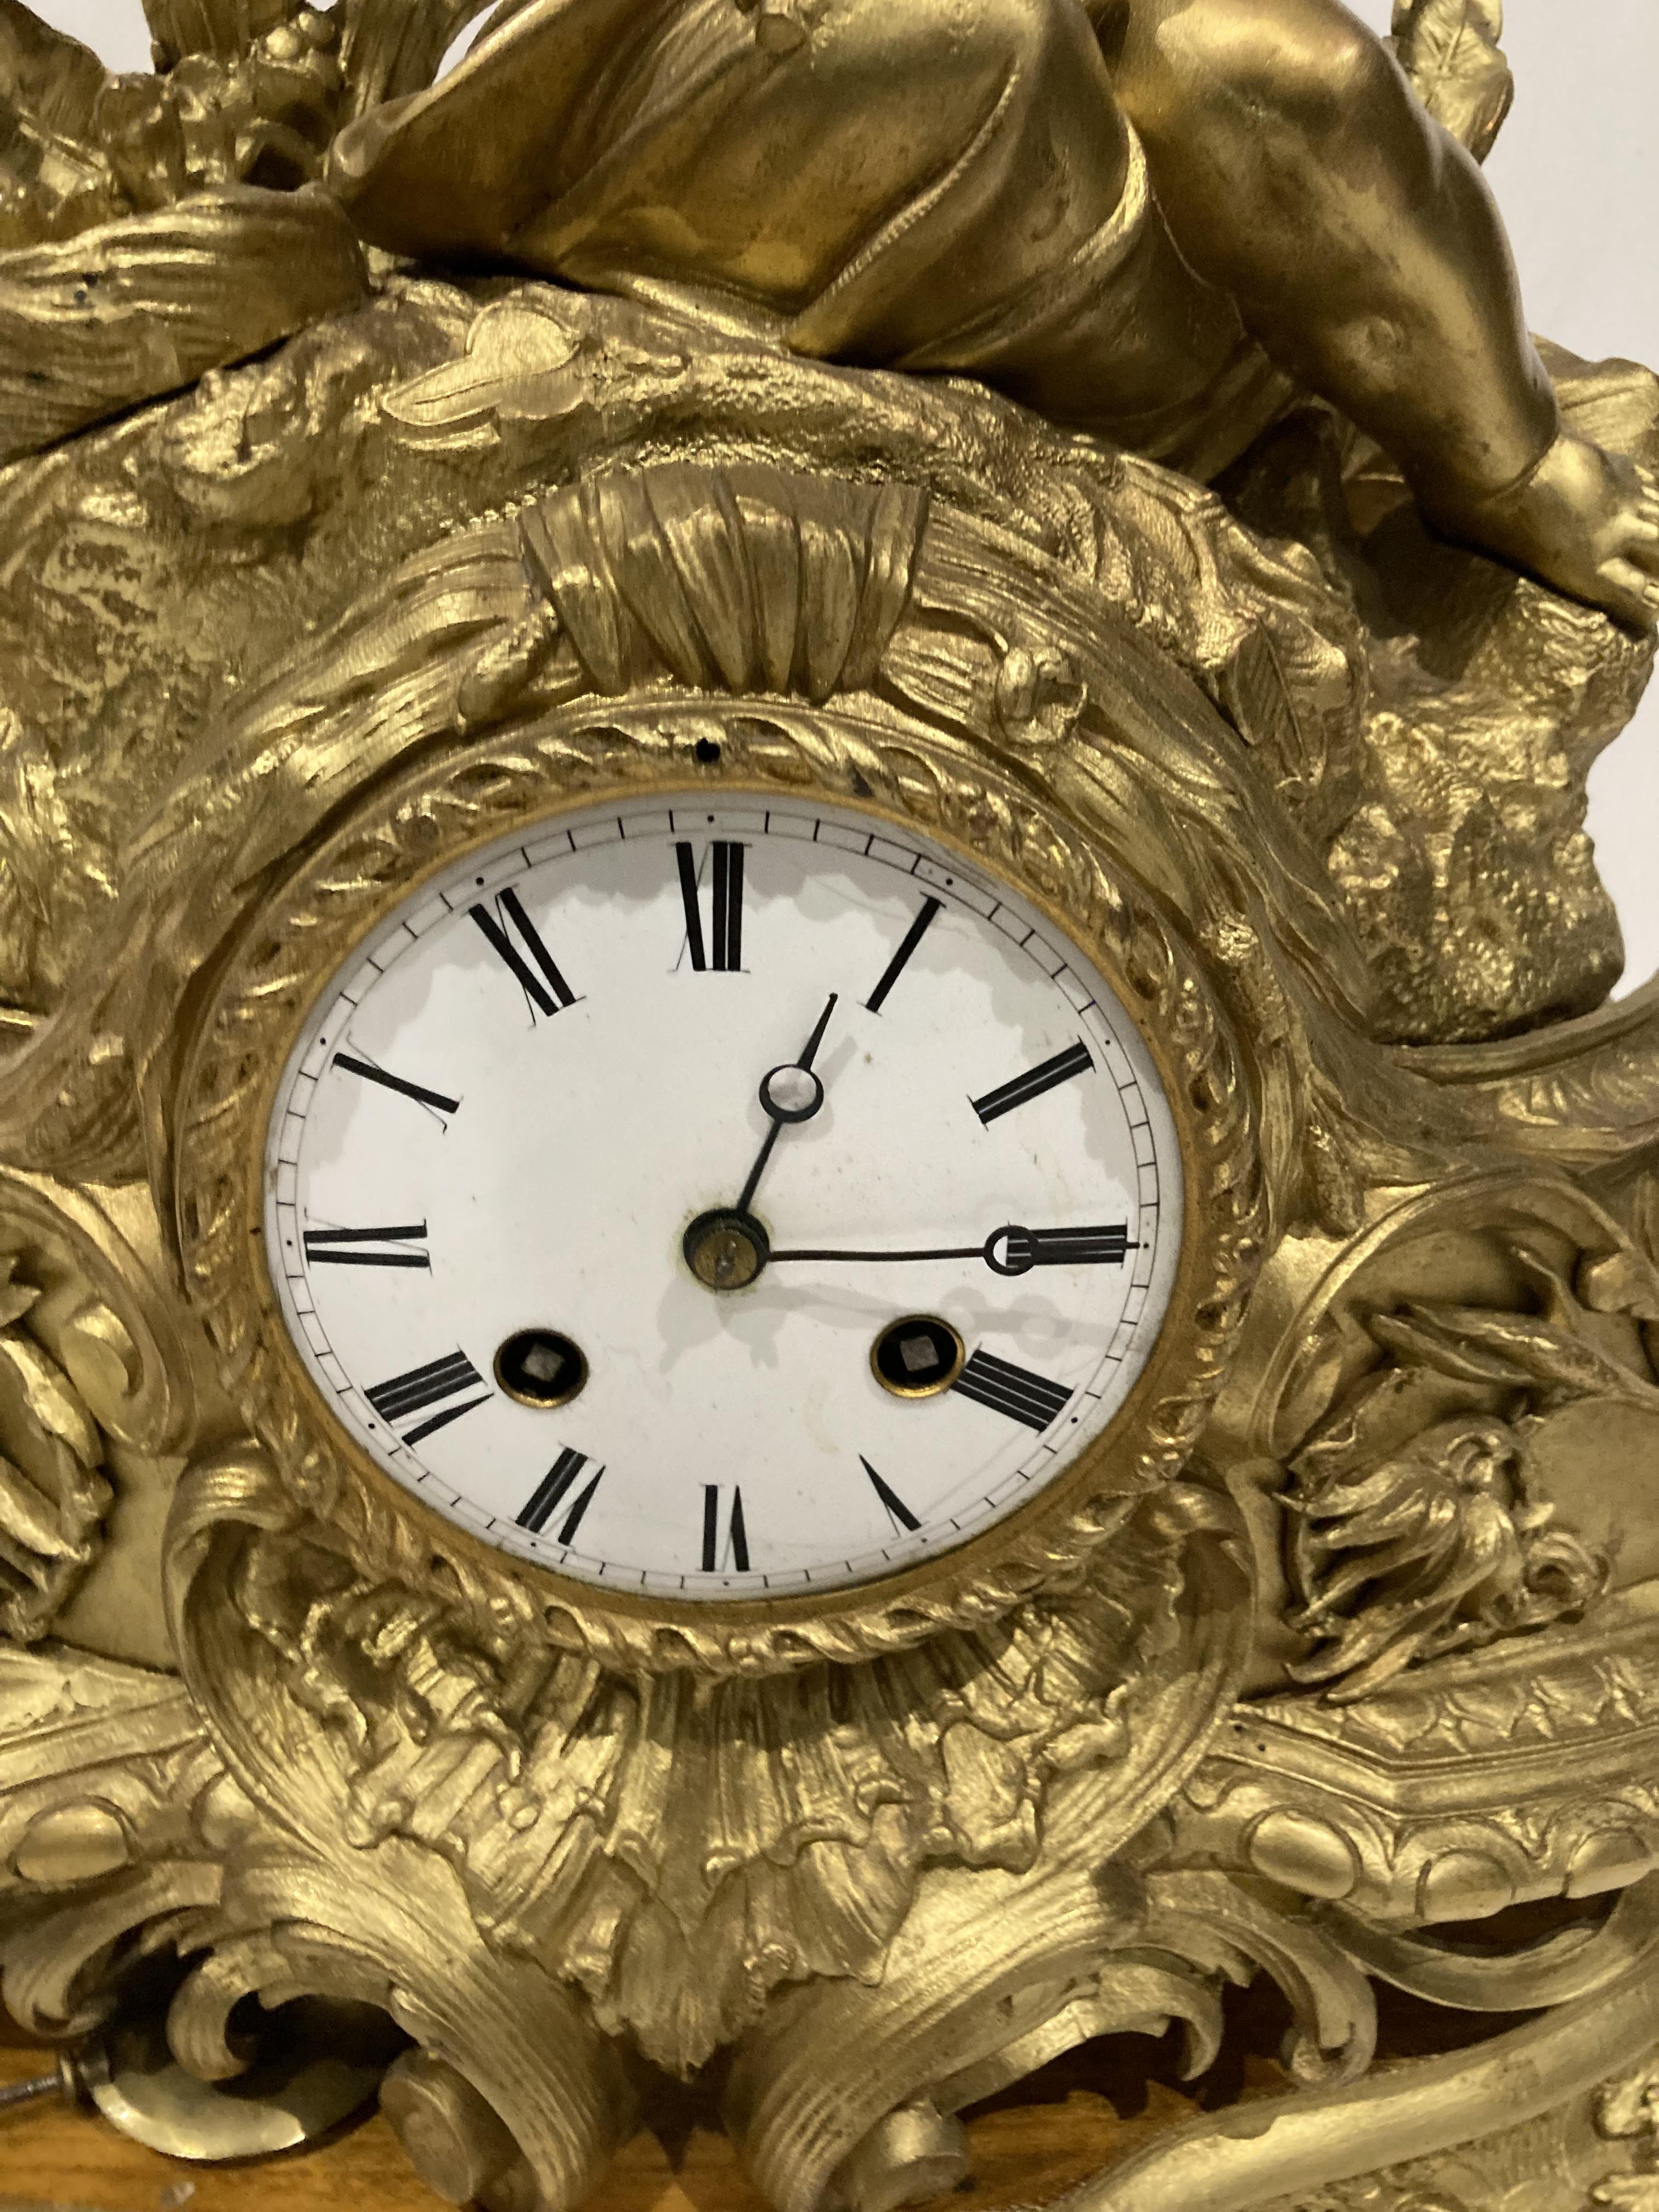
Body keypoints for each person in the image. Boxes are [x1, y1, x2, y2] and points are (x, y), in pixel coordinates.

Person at [330, 0, 1659, 628]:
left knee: (1277, 85)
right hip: (702, 63)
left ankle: (1459, 419)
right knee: (1193, 78)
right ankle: (1368, 380)